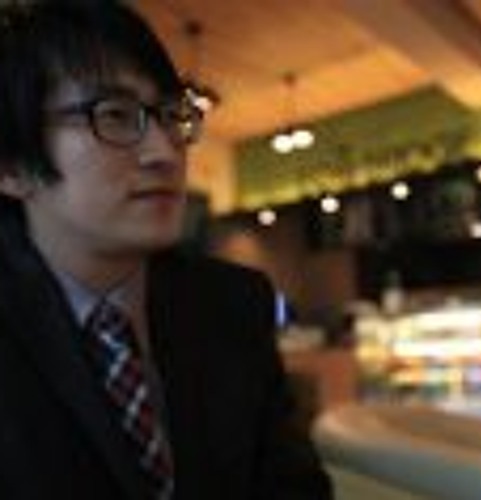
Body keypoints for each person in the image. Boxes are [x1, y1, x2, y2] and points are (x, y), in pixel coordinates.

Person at [0, 1, 333, 499]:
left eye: (170, 115)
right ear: (12, 166)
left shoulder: (233, 303)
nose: (165, 152)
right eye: (114, 116)